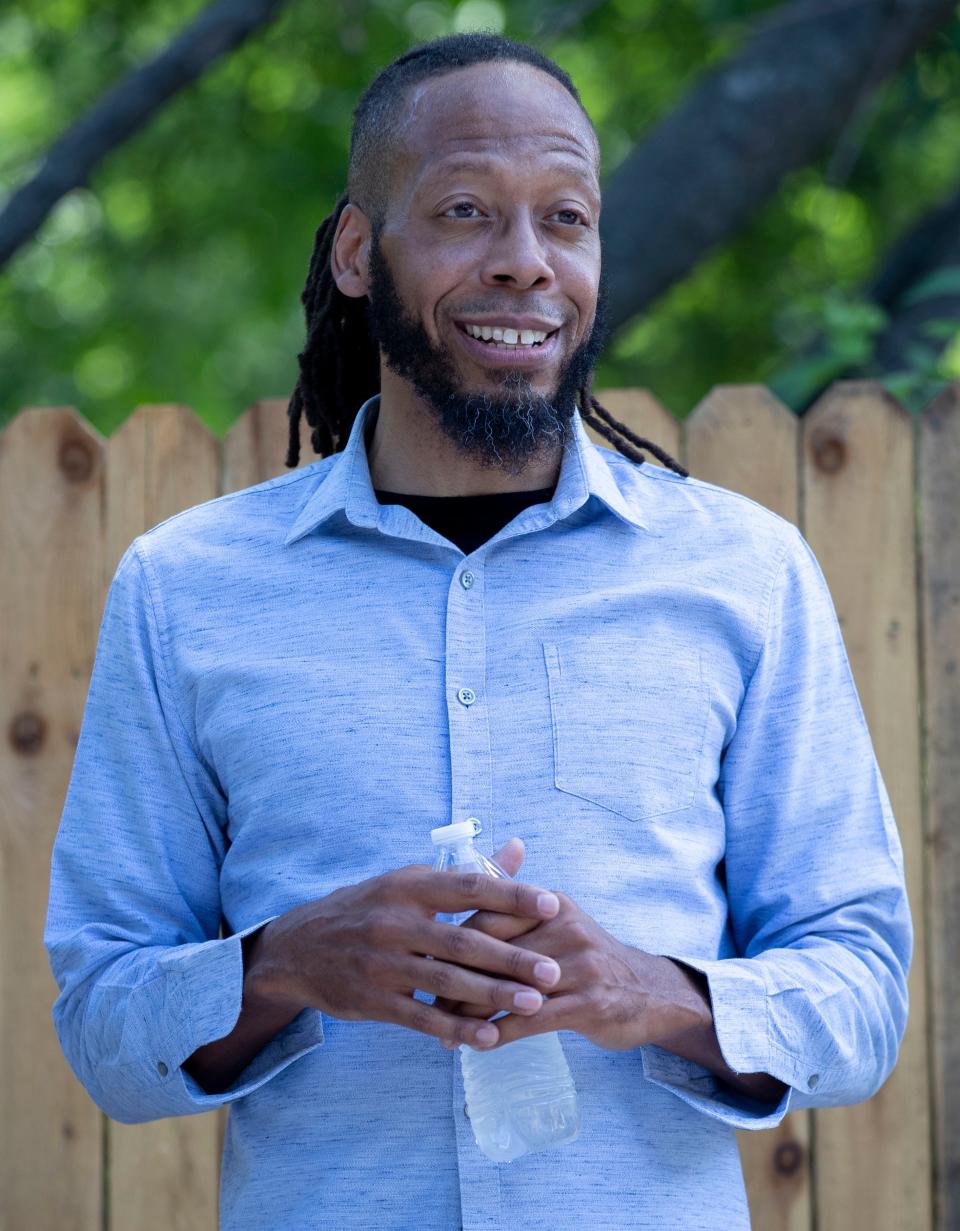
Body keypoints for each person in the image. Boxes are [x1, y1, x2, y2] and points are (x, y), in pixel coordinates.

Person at [45, 31, 912, 1231]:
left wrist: (652, 992)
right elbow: (103, 1014)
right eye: (465, 211)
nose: (526, 264)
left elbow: (862, 987)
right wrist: (288, 961)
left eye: (566, 218)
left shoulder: (745, 573)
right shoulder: (186, 588)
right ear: (359, 251)